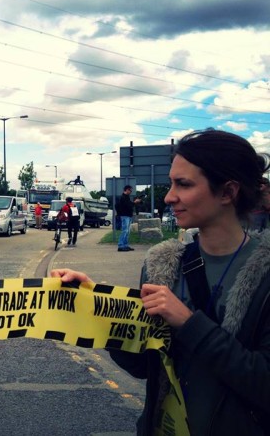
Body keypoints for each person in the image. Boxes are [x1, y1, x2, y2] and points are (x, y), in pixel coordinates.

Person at [52, 129, 270, 436]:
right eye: (171, 183)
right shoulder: (162, 266)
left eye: (184, 184)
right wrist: (99, 306)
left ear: (227, 192)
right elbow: (145, 366)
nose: (169, 196)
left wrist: (188, 323)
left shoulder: (265, 275)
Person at [115, 184, 141, 251]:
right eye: (130, 190)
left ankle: (125, 245)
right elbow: (128, 205)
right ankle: (120, 245)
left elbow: (129, 205)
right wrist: (135, 202)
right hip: (125, 216)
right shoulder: (123, 197)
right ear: (127, 190)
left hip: (128, 216)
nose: (131, 192)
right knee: (125, 230)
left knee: (127, 231)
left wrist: (134, 203)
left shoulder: (127, 197)